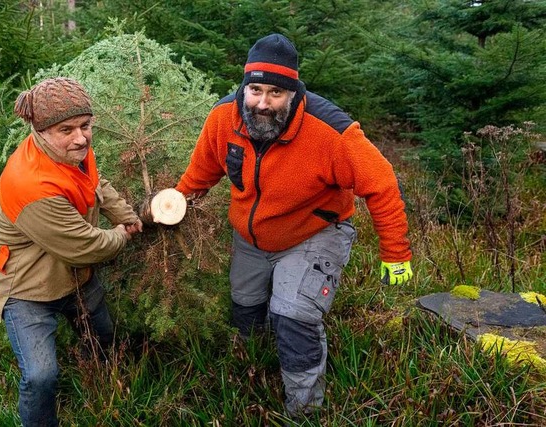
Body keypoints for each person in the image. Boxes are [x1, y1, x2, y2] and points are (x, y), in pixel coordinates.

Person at [175, 34, 413, 419]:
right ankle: (253, 378)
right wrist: (171, 208)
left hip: (315, 232)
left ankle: (304, 411)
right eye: (255, 90)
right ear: (244, 86)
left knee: (292, 316)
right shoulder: (224, 118)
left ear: (293, 92)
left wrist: (396, 254)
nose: (263, 103)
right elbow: (198, 176)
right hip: (252, 237)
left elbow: (382, 184)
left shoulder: (331, 131)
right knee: (245, 310)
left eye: (276, 93)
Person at [0, 77, 143, 427]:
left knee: (104, 337)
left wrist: (125, 214)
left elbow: (94, 183)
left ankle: (101, 381)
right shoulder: (30, 185)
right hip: (26, 290)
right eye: (66, 129)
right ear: (39, 131)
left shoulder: (72, 152)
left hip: (74, 279)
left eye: (86, 126)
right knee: (41, 376)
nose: (81, 137)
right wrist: (121, 234)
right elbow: (85, 246)